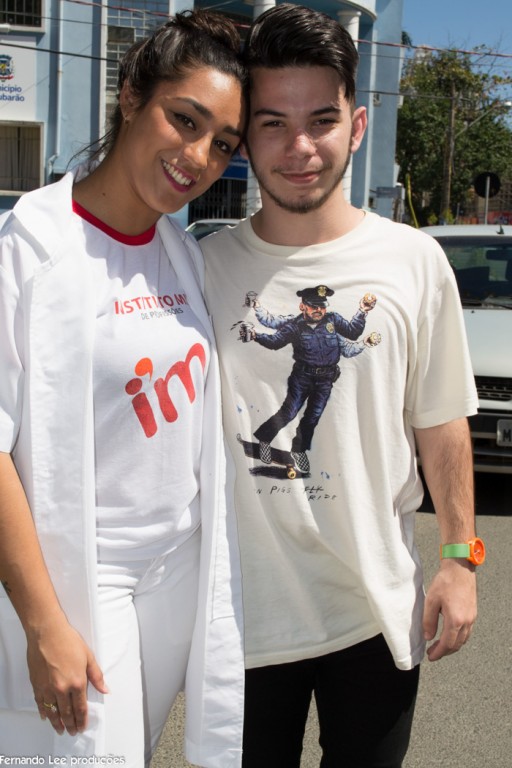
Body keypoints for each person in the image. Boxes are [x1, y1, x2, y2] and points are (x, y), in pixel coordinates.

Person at [201, 5, 482, 767]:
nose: (300, 148)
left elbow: (441, 422)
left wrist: (459, 559)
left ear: (356, 127)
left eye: (321, 120)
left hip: (373, 613)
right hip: (242, 619)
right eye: (273, 124)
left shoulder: (414, 261)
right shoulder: (203, 268)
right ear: (244, 137)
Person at [0, 10, 245, 767]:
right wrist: (44, 623)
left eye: (224, 143)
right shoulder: (30, 248)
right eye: (185, 120)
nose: (199, 157)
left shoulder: (183, 253)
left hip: (178, 569)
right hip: (85, 574)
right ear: (133, 95)